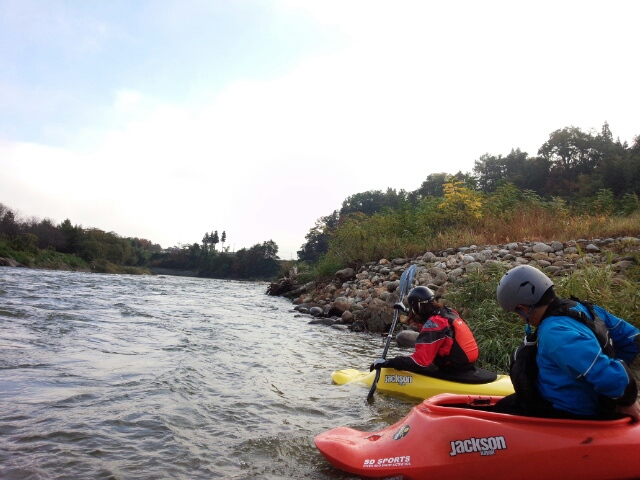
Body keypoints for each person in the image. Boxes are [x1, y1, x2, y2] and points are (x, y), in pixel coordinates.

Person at [496, 264, 640, 420]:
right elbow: (632, 338)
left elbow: (601, 370)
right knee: (502, 406)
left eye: (517, 313)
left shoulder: (554, 332)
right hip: (577, 401)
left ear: (523, 308)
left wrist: (625, 399)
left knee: (499, 414)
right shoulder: (583, 308)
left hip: (565, 412)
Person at [370, 286, 479, 374]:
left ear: (418, 306)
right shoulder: (448, 312)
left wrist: (388, 362)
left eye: (413, 308)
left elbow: (420, 362)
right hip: (466, 363)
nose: (413, 311)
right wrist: (405, 310)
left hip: (453, 368)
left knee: (409, 364)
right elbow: (427, 321)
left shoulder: (434, 323)